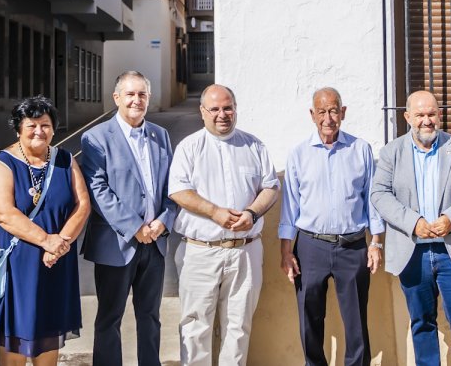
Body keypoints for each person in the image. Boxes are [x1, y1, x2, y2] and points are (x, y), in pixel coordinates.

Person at [371, 90, 451, 366]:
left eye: (431, 114)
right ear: (407, 117)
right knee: (422, 323)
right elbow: (379, 195)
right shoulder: (391, 152)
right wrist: (414, 223)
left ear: (440, 114)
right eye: (420, 115)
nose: (427, 120)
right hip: (413, 254)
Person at [169, 84, 280, 366]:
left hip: (245, 252)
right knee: (195, 327)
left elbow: (270, 186)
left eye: (228, 107)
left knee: (238, 326)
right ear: (202, 112)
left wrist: (252, 213)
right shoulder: (189, 147)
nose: (222, 114)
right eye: (215, 109)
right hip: (200, 251)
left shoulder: (253, 145)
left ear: (235, 109)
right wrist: (214, 212)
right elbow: (178, 191)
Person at [278, 87, 384, 366]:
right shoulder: (299, 154)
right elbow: (290, 206)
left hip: (353, 246)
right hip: (310, 247)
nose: (328, 118)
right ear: (312, 115)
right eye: (322, 111)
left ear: (343, 112)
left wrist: (375, 243)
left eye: (334, 110)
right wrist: (286, 251)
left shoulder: (360, 149)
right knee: (309, 319)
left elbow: (372, 200)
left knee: (356, 322)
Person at [0, 95, 91, 365]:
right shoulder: (3, 163)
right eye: (31, 125)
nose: (39, 131)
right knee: (16, 335)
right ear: (18, 128)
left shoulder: (65, 159)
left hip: (55, 263)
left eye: (45, 125)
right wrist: (47, 241)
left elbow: (82, 205)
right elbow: (1, 213)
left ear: (54, 128)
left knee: (48, 330)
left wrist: (61, 243)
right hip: (17, 266)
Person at [80, 71, 175, 366]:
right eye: (130, 94)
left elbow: (174, 187)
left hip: (155, 243)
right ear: (117, 98)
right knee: (110, 318)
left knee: (150, 316)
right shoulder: (95, 137)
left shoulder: (161, 135)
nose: (137, 100)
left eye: (142, 94)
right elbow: (97, 189)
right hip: (116, 245)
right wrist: (135, 228)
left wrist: (163, 220)